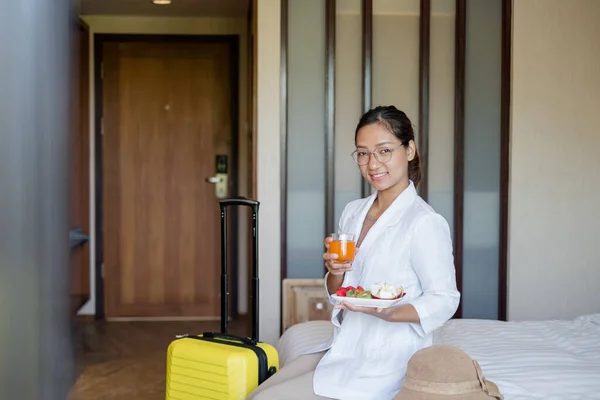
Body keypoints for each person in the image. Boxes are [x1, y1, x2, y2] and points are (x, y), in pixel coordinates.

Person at [247, 105, 460, 400]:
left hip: (387, 358)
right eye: (363, 153)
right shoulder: (353, 212)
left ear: (409, 150)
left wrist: (389, 312)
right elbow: (338, 292)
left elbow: (445, 298)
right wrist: (335, 272)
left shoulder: (424, 222)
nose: (373, 164)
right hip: (346, 344)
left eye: (384, 151)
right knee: (258, 392)